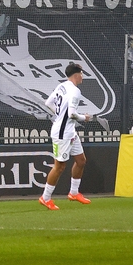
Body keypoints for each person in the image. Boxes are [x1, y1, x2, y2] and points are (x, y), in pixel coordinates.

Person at [39, 63, 92, 210]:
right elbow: (72, 114)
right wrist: (85, 118)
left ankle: (74, 193)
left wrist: (59, 114)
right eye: (81, 74)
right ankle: (45, 197)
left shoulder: (61, 86)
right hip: (62, 133)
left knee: (81, 160)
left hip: (69, 131)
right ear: (76, 75)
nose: (82, 76)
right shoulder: (75, 91)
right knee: (59, 166)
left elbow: (48, 103)